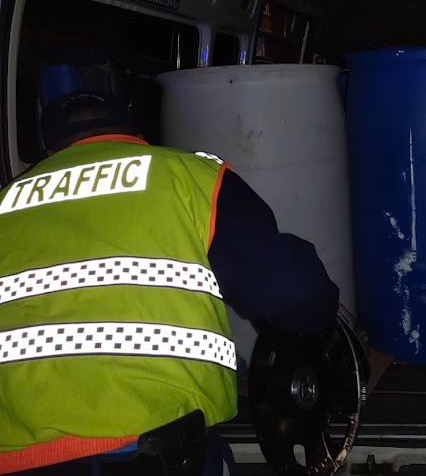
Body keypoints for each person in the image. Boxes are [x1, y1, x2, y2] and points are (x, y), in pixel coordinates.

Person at [0, 79, 340, 474]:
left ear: (48, 152)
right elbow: (292, 292)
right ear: (137, 136)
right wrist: (317, 323)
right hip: (149, 446)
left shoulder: (7, 201)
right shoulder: (188, 176)